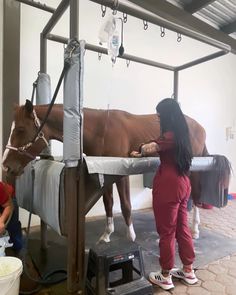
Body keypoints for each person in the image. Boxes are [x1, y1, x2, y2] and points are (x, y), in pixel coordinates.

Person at [130, 98, 198, 290]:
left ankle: (166, 275)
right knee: (182, 228)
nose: (159, 121)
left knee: (166, 231)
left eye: (160, 117)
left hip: (169, 186)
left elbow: (150, 147)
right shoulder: (183, 135)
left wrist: (141, 150)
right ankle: (188, 270)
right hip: (184, 183)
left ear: (167, 116)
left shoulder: (170, 135)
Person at [0, 181, 23, 252]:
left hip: (8, 200)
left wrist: (1, 221)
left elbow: (9, 205)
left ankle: (18, 250)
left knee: (13, 227)